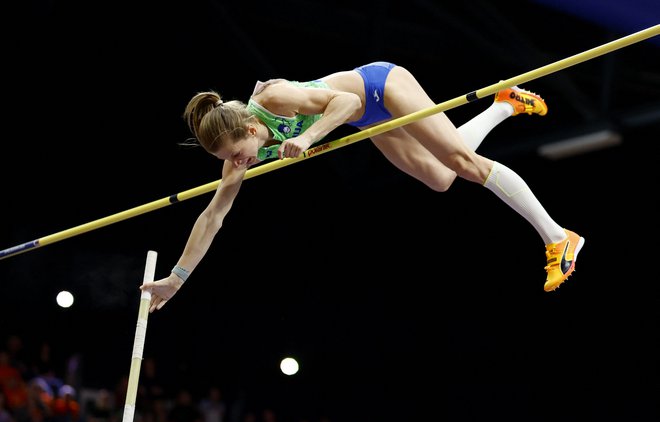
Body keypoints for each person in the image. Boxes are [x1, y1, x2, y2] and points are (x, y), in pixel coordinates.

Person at [141, 61, 585, 311]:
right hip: (364, 120)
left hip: (380, 87)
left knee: (462, 162)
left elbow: (348, 100)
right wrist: (176, 281)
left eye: (236, 154)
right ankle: (504, 106)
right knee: (441, 178)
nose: (237, 164)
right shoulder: (239, 155)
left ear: (249, 129)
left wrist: (307, 136)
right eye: (228, 162)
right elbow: (212, 216)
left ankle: (559, 237)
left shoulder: (273, 99)